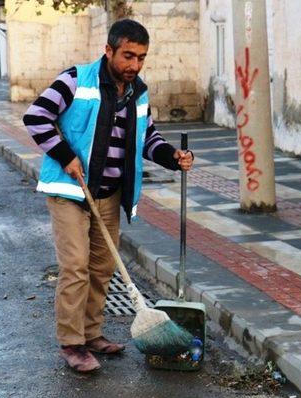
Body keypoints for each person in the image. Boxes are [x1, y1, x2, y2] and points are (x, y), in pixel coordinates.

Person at [23, 19, 194, 373]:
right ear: (109, 50)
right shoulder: (75, 79)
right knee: (76, 267)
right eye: (128, 56)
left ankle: (91, 334)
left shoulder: (139, 93)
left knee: (101, 268)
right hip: (71, 190)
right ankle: (72, 344)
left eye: (141, 58)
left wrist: (172, 157)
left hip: (110, 194)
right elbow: (36, 116)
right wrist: (65, 155)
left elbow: (146, 139)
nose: (134, 65)